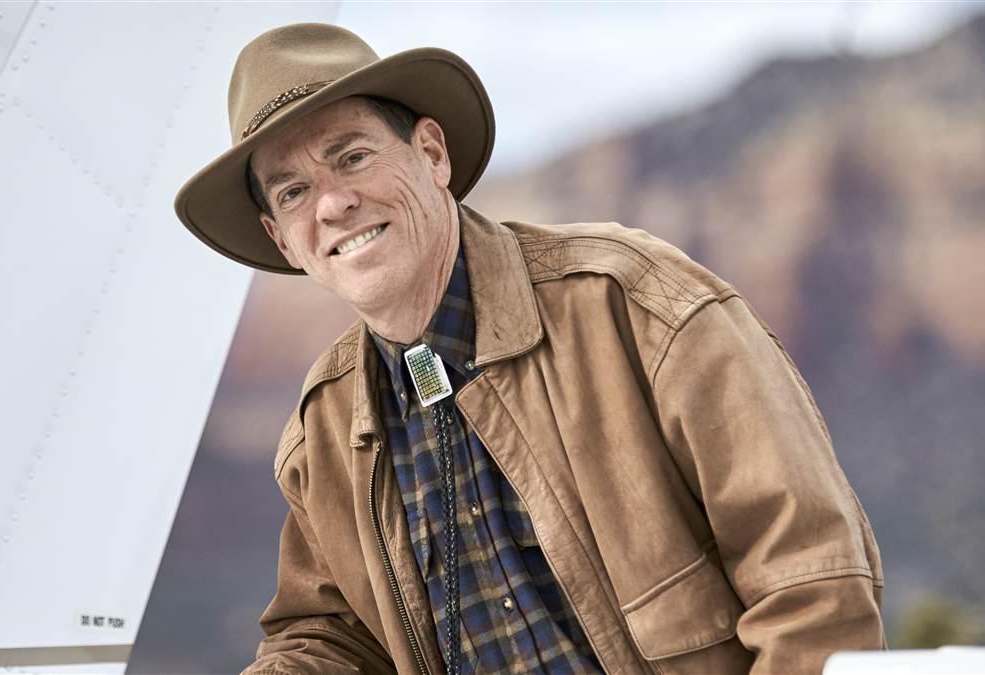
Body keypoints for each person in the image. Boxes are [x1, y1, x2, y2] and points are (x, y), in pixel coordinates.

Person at [174, 23, 885, 675]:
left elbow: (811, 581)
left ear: (431, 154)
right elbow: (328, 636)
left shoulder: (637, 304)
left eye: (352, 157)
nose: (332, 204)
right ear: (282, 240)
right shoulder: (324, 433)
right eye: (294, 192)